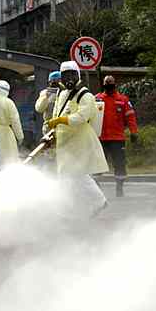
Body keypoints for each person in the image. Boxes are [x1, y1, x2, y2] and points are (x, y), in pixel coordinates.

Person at [47, 61, 108, 213]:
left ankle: (97, 202)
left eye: (72, 75)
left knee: (77, 174)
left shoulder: (85, 95)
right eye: (65, 75)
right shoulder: (62, 94)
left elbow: (82, 116)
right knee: (68, 176)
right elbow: (56, 113)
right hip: (64, 140)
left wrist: (62, 120)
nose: (68, 79)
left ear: (78, 76)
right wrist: (53, 131)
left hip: (79, 140)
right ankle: (77, 206)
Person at [95, 75, 139, 197]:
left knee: (119, 164)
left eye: (111, 83)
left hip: (117, 139)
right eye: (106, 83)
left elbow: (130, 117)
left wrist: (133, 132)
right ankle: (96, 189)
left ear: (115, 84)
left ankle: (119, 188)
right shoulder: (97, 99)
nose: (109, 85)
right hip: (100, 138)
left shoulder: (123, 100)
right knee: (96, 164)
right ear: (103, 84)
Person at [35, 70, 63, 140]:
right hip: (49, 126)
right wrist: (46, 97)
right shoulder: (44, 93)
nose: (54, 83)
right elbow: (39, 109)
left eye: (57, 81)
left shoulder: (65, 92)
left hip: (62, 126)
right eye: (52, 81)